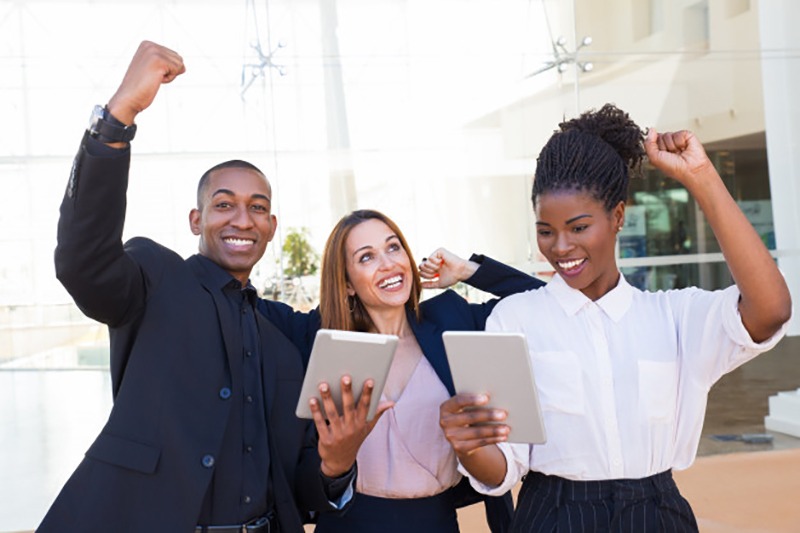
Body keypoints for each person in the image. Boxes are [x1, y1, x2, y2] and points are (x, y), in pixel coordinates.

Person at [40, 40, 380, 533]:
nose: (243, 218)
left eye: (258, 207)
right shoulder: (155, 279)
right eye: (224, 204)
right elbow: (83, 261)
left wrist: (337, 463)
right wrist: (118, 117)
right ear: (196, 219)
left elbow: (300, 486)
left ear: (272, 224)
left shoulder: (283, 345)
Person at [439, 104, 792, 532]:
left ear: (618, 217)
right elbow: (503, 471)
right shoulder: (514, 319)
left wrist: (701, 177)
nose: (560, 246)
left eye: (579, 227)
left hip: (656, 515)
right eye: (545, 230)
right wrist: (469, 447)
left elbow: (771, 311)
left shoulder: (673, 317)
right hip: (552, 516)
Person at [258, 209, 545, 532]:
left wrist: (468, 270)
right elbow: (236, 300)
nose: (389, 263)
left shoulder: (452, 319)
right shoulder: (316, 334)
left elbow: (543, 304)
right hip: (348, 523)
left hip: (435, 521)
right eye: (366, 257)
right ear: (347, 283)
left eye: (393, 248)